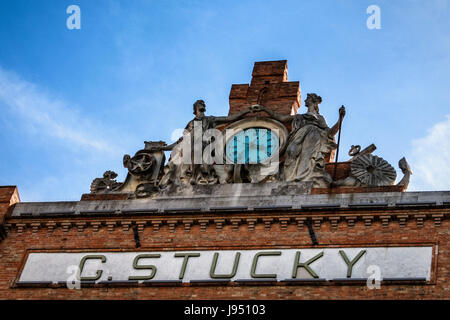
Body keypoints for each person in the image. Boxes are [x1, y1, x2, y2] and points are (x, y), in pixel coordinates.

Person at [260, 93, 345, 187]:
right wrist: (265, 109)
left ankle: (302, 177)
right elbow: (281, 118)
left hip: (312, 137)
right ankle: (288, 179)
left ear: (312, 101)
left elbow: (330, 132)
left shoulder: (320, 118)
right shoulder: (299, 116)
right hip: (297, 137)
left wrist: (340, 119)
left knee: (307, 157)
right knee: (291, 153)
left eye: (307, 98)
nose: (305, 100)